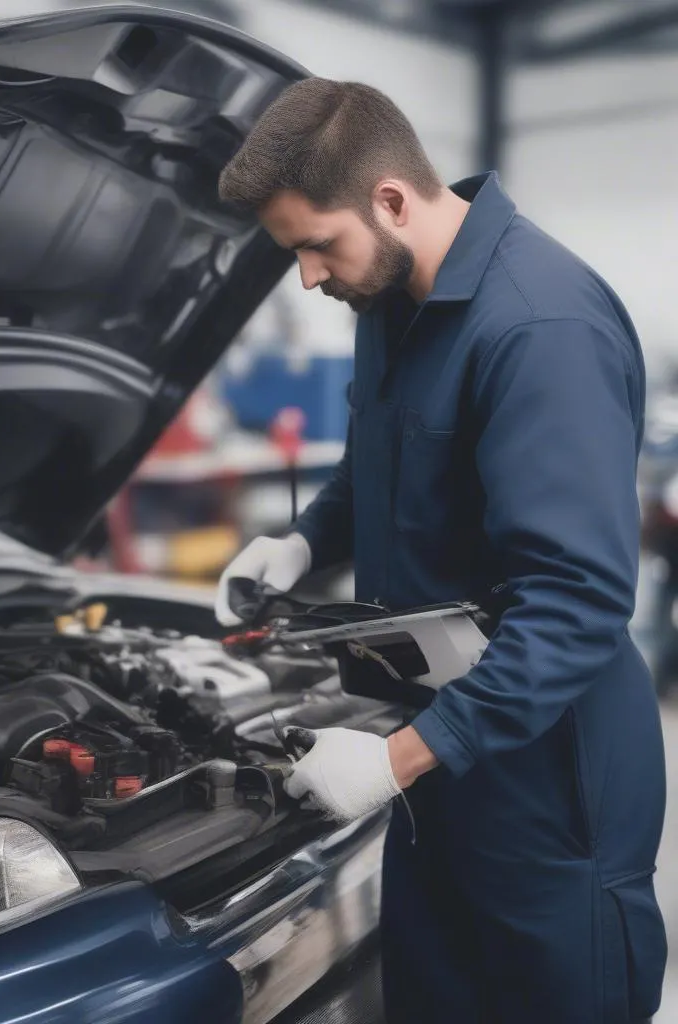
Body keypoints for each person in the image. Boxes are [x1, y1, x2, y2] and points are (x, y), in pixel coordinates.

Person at [215, 78, 666, 1024]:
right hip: (439, 758)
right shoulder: (388, 303)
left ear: (390, 198)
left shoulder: (540, 327)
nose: (306, 275)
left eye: (313, 244)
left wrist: (398, 760)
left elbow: (578, 605)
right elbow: (370, 466)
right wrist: (300, 543)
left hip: (549, 783)